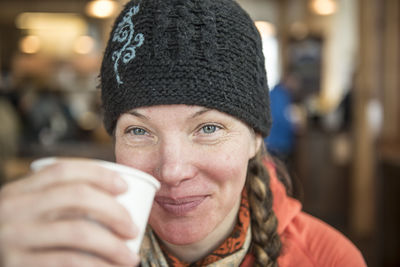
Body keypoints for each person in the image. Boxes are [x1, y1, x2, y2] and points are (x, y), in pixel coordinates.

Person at [0, 0, 366, 266]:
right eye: (140, 131)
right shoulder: (67, 250)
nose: (172, 170)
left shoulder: (329, 259)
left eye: (208, 128)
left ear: (256, 137)